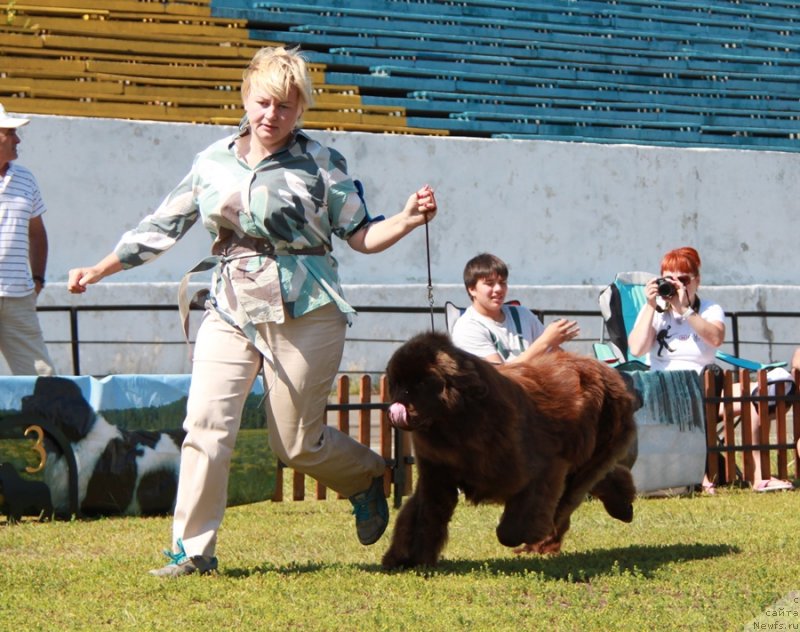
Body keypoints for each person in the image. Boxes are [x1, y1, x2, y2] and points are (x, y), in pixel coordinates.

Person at [67, 46, 438, 576]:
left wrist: (405, 218)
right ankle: (193, 552)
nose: (272, 115)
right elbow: (161, 227)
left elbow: (361, 235)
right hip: (231, 307)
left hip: (307, 309)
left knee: (295, 444)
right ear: (245, 97)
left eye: (285, 106)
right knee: (205, 424)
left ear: (300, 109)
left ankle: (365, 476)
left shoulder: (323, 163)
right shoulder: (211, 162)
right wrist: (99, 268)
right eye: (264, 102)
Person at [627, 246, 792, 493]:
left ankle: (759, 477)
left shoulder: (709, 309)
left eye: (683, 280)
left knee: (751, 398)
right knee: (706, 392)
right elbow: (637, 348)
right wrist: (650, 306)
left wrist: (685, 310)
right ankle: (701, 474)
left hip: (706, 390)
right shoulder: (655, 311)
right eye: (669, 279)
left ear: (697, 281)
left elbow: (715, 338)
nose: (676, 285)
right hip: (665, 394)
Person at [0, 104, 55, 376]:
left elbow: (37, 232)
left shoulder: (25, 178)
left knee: (43, 378)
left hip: (18, 297)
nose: (18, 140)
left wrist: (38, 279)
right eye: (10, 132)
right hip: (18, 296)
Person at [451, 253, 579, 364]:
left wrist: (556, 340)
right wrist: (546, 341)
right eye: (490, 284)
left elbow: (558, 356)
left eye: (502, 283)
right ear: (472, 289)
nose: (499, 289)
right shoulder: (467, 328)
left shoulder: (522, 314)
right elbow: (499, 376)